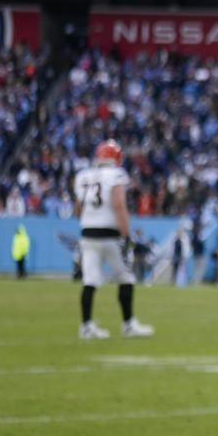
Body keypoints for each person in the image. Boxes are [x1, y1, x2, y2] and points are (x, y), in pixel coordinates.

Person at [72, 139, 154, 339]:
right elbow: (119, 205)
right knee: (125, 277)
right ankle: (128, 324)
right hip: (109, 235)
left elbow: (77, 209)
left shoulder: (84, 176)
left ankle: (86, 326)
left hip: (88, 234)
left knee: (89, 281)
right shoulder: (116, 175)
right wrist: (126, 236)